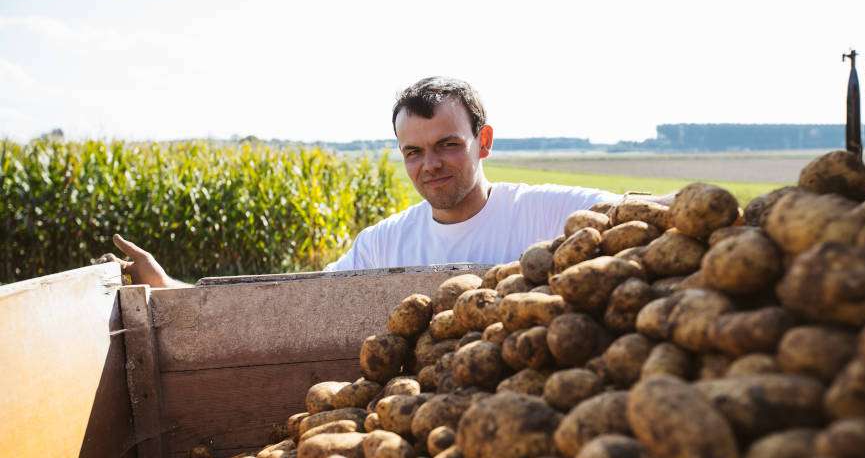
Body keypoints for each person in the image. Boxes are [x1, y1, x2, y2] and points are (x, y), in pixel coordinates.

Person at [103, 77, 658, 287]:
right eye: (413, 152)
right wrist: (169, 288)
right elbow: (295, 303)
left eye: (448, 145)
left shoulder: (549, 211)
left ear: (483, 142)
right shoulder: (382, 244)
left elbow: (657, 215)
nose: (430, 165)